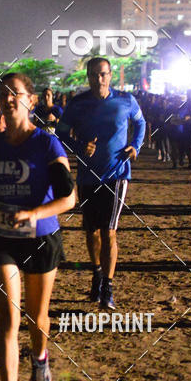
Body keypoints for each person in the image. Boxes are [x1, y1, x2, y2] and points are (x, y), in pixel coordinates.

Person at [0, 73, 76, 381]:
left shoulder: (47, 145)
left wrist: (33, 213)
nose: (8, 99)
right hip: (3, 238)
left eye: (15, 93)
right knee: (7, 318)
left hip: (41, 238)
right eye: (2, 94)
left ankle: (40, 355)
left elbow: (69, 197)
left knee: (37, 318)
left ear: (31, 100)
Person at [56, 57, 145, 309]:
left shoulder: (126, 100)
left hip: (116, 174)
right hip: (87, 175)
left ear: (111, 75)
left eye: (103, 74)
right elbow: (61, 133)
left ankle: (108, 285)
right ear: (88, 76)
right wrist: (78, 147)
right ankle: (96, 274)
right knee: (91, 231)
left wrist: (135, 146)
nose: (99, 79)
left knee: (109, 231)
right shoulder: (76, 104)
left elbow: (141, 122)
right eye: (94, 75)